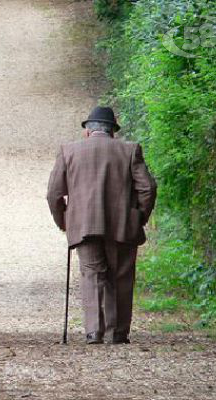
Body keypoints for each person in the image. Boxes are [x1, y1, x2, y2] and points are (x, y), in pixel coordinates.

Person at [47, 106, 157, 345]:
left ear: (88, 131)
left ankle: (93, 332)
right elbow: (147, 188)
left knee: (92, 275)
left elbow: (54, 193)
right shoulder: (129, 150)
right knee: (121, 276)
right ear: (113, 133)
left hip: (84, 226)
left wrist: (64, 221)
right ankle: (116, 333)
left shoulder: (69, 151)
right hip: (122, 227)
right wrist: (138, 217)